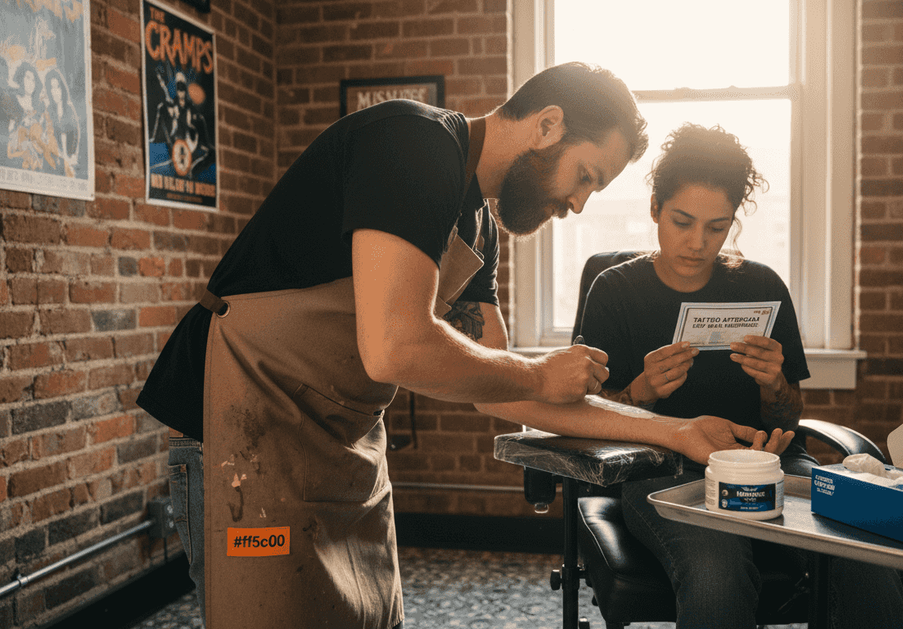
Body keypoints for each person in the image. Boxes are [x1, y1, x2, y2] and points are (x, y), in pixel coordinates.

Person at [137, 62, 790, 629]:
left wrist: (680, 433)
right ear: (547, 125)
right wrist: (536, 376)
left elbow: (501, 396)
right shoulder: (414, 144)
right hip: (243, 436)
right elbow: (395, 348)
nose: (580, 203)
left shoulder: (477, 228)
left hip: (340, 447)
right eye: (586, 175)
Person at [576, 123, 903, 629]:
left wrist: (774, 386)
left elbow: (788, 415)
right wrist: (641, 391)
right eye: (681, 222)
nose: (697, 242)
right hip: (662, 471)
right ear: (654, 210)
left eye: (716, 227)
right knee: (717, 575)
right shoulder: (614, 291)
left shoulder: (759, 284)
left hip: (768, 461)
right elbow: (589, 414)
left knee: (861, 552)